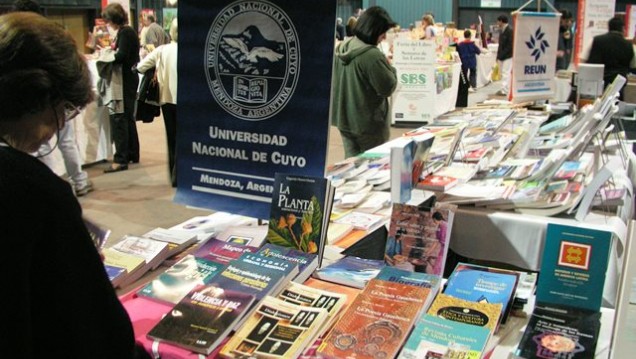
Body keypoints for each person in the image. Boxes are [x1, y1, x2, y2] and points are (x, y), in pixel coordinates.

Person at [0, 12, 149, 358]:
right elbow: (93, 334)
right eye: (64, 109)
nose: (59, 126)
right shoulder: (31, 191)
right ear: (37, 96)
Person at [11, 0, 94, 196]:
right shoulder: (50, 38)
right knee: (59, 143)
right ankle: (77, 181)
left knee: (50, 145)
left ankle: (75, 181)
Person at [331, 6, 397, 158]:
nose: (384, 37)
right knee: (374, 168)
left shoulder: (343, 47)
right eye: (383, 32)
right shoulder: (372, 56)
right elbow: (387, 87)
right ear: (373, 30)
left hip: (344, 119)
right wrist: (391, 68)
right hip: (368, 122)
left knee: (351, 165)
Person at [137, 18, 179, 187]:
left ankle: (174, 176)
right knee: (186, 138)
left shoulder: (162, 50)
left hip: (166, 100)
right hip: (187, 101)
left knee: (171, 137)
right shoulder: (192, 51)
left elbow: (141, 66)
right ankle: (184, 174)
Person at [102, 2, 140, 172]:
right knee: (128, 118)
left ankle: (121, 159)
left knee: (119, 119)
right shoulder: (128, 32)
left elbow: (121, 56)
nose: (107, 24)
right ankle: (132, 153)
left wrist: (107, 55)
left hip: (123, 82)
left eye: (108, 20)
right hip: (129, 80)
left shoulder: (125, 33)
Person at [587, 16, 635, 94]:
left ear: (609, 27)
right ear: (622, 28)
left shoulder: (597, 40)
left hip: (598, 83)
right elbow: (632, 65)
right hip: (618, 85)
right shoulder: (628, 45)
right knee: (616, 104)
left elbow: (587, 60)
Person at [496, 15, 513, 96]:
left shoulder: (509, 30)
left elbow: (510, 45)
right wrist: (498, 56)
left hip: (508, 56)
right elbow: (500, 44)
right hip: (502, 56)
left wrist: (502, 55)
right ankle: (503, 88)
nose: (497, 23)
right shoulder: (502, 30)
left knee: (506, 73)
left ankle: (505, 90)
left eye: (498, 21)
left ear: (501, 21)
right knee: (503, 73)